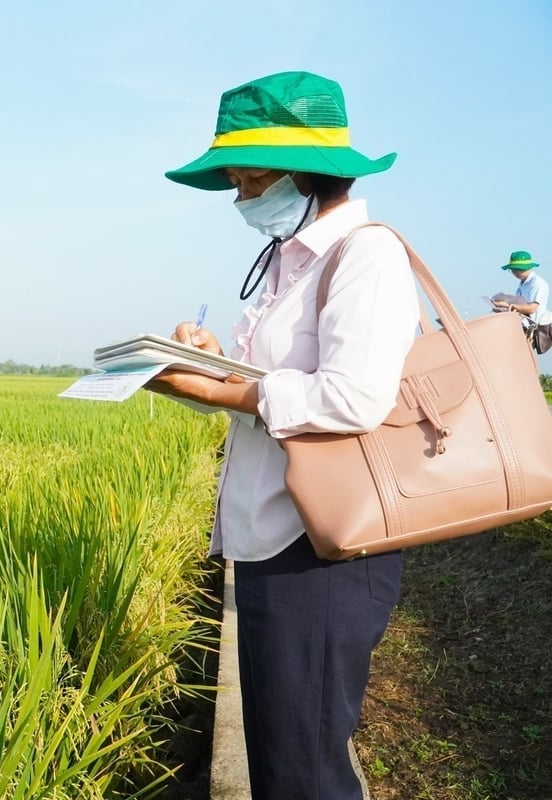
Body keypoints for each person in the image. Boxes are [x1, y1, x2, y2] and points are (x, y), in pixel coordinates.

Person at [149, 71, 420, 800]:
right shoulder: (290, 261)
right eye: (235, 181)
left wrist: (224, 387)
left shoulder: (365, 255)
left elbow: (353, 396)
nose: (241, 197)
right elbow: (272, 388)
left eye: (251, 177)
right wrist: (206, 363)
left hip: (322, 552)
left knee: (305, 774)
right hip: (270, 534)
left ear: (308, 171)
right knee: (280, 761)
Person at [491, 250, 552, 335]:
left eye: (518, 270)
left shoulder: (537, 283)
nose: (515, 273)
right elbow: (519, 306)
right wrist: (504, 307)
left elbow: (532, 308)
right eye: (513, 270)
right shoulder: (522, 285)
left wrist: (512, 306)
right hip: (522, 324)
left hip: (534, 328)